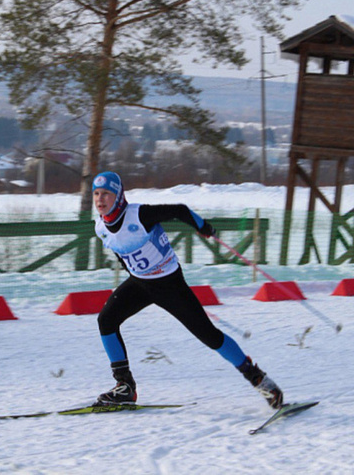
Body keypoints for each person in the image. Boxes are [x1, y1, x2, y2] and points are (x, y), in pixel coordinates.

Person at [91, 171, 283, 409]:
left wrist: (202, 226)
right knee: (106, 321)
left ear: (119, 196)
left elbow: (180, 210)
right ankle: (125, 387)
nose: (100, 199)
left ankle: (259, 379)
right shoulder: (100, 227)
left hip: (169, 285)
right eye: (96, 194)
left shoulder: (140, 215)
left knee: (210, 336)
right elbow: (124, 255)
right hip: (140, 283)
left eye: (107, 193)